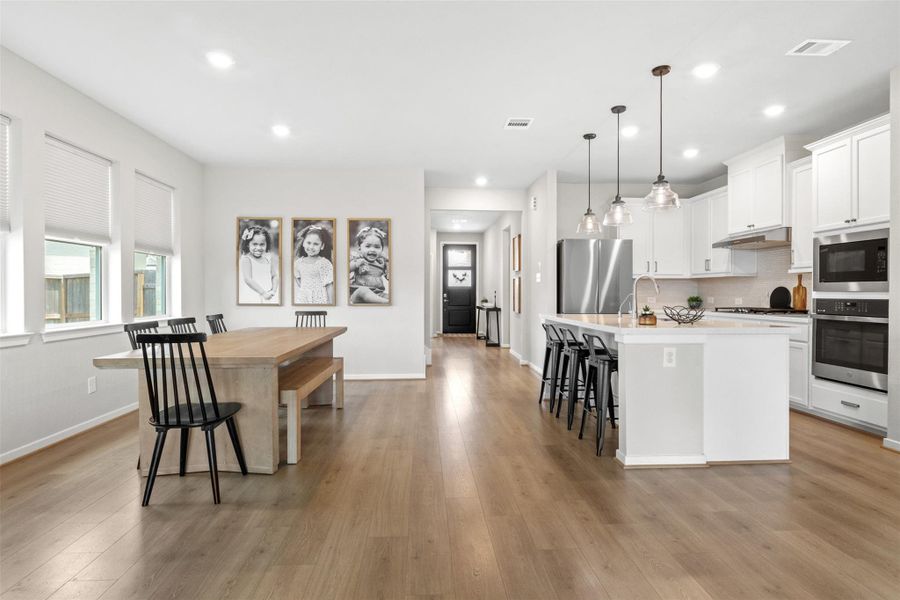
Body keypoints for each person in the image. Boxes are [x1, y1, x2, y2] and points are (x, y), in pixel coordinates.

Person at [293, 224, 334, 304]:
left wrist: (331, 304)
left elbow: (329, 286)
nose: (311, 247)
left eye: (316, 244)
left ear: (322, 246)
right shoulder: (298, 263)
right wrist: (307, 290)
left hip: (320, 299)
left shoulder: (324, 263)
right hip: (303, 299)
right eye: (308, 243)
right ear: (303, 243)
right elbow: (299, 280)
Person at [238, 224, 279, 304]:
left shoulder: (268, 258)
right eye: (255, 244)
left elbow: (274, 275)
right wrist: (263, 293)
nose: (259, 248)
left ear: (266, 244)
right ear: (248, 244)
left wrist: (273, 291)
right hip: (253, 296)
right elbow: (248, 279)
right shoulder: (246, 259)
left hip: (268, 295)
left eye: (262, 244)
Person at [349, 225, 389, 304]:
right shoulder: (358, 259)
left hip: (377, 294)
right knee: (363, 291)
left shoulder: (381, 263)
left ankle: (385, 301)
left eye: (377, 247)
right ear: (360, 248)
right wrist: (356, 264)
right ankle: (384, 303)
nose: (372, 250)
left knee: (389, 296)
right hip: (358, 294)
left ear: (382, 249)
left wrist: (388, 260)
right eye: (368, 246)